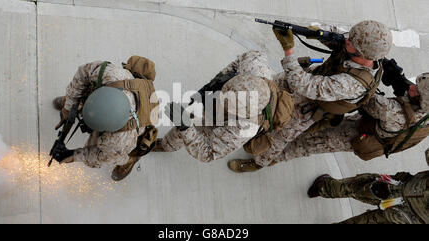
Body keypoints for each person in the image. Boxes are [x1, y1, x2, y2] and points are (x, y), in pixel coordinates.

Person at [228, 20, 393, 172]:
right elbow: (335, 35)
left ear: (363, 54)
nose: (347, 40)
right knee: (264, 88)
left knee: (276, 136)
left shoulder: (353, 84)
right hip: (313, 78)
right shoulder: (360, 42)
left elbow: (302, 85)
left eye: (351, 41)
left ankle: (259, 162)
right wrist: (314, 32)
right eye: (349, 36)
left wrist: (288, 49)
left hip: (308, 107)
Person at [155, 51, 295, 164]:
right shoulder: (254, 66)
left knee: (188, 125)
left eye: (227, 104)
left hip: (223, 119)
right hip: (230, 101)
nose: (222, 101)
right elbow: (243, 59)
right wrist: (215, 83)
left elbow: (208, 153)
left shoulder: (244, 127)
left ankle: (167, 145)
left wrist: (185, 127)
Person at [267, 72, 429, 164]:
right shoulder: (425, 110)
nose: (411, 87)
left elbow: (362, 96)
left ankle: (271, 158)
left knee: (313, 144)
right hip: (373, 124)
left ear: (421, 101)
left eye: (416, 91)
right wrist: (397, 78)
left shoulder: (392, 111)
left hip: (361, 135)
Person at [52, 56, 159, 181]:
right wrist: (69, 108)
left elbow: (100, 158)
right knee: (82, 90)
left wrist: (72, 155)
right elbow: (83, 73)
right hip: (120, 93)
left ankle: (132, 158)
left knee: (125, 152)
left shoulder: (121, 139)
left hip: (137, 127)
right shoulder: (111, 75)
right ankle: (74, 101)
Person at [308, 170, 429, 224]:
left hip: (403, 189)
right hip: (408, 219)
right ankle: (323, 188)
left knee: (359, 186)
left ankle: (323, 188)